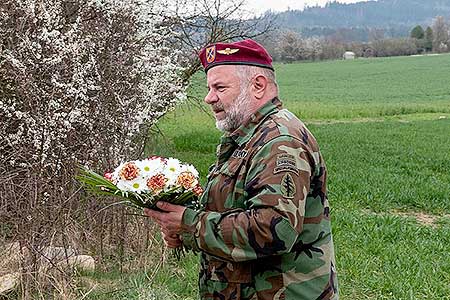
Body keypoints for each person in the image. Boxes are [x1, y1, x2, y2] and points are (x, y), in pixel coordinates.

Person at [145, 39, 339, 300]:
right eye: (209, 88)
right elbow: (231, 210)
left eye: (220, 87)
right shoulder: (248, 137)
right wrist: (183, 231)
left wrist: (190, 224)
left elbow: (273, 230)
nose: (208, 97)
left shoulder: (280, 141)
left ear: (258, 85)